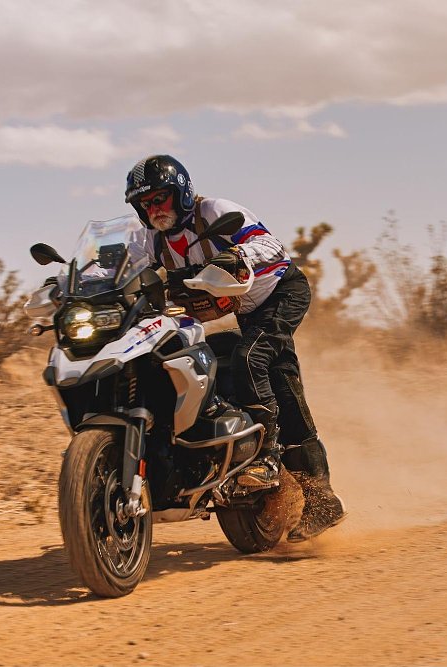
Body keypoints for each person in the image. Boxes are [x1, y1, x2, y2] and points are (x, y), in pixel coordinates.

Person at [124, 154, 346, 541]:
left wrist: (238, 254)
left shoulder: (216, 212)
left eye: (160, 198)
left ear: (181, 193)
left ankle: (268, 460)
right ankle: (318, 500)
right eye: (146, 203)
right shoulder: (150, 239)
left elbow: (270, 246)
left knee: (249, 358)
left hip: (280, 293)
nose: (154, 208)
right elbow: (123, 268)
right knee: (274, 382)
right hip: (242, 312)